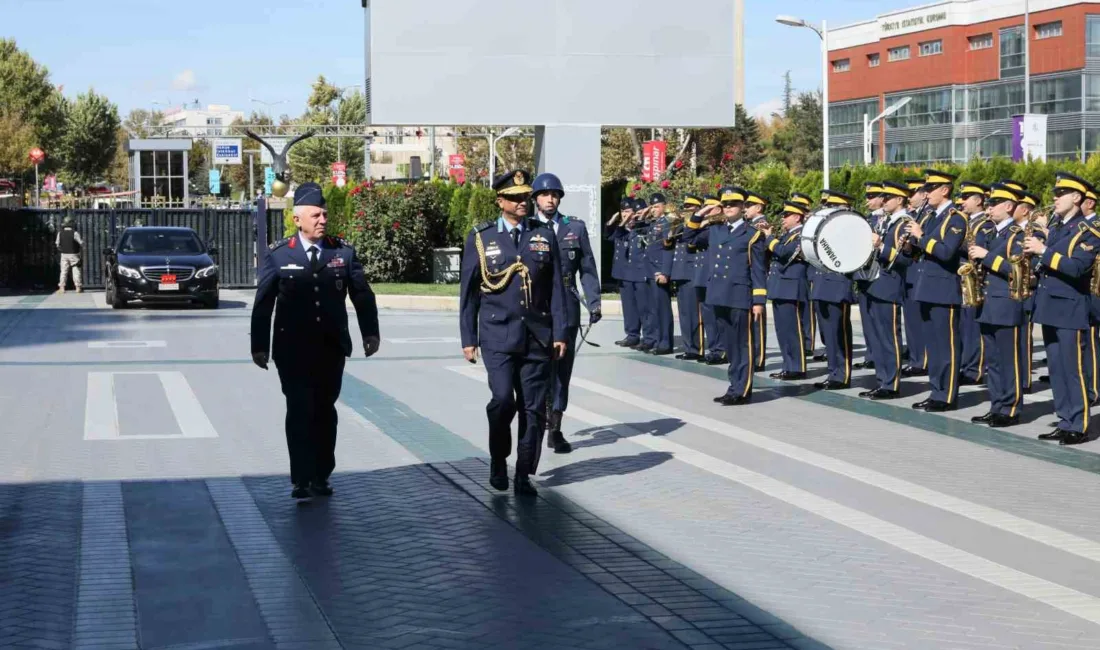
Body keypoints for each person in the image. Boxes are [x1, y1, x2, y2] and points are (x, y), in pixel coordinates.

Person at [251, 182, 381, 501]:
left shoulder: (342, 252)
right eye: (316, 215)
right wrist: (259, 346)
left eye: (324, 214)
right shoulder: (280, 255)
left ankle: (321, 474)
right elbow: (263, 303)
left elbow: (362, 295)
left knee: (324, 411)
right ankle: (301, 478)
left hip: (330, 348)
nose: (323, 220)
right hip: (292, 350)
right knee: (299, 409)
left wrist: (370, 333)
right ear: (298, 219)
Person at [459, 169, 567, 493]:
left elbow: (557, 288)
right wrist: (468, 339)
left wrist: (560, 331)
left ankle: (522, 473)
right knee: (503, 400)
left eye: (526, 197)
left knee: (533, 409)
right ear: (500, 200)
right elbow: (469, 293)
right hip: (497, 334)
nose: (523, 202)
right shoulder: (482, 237)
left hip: (536, 335)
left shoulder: (544, 235)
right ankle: (497, 459)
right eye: (516, 197)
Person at [1026, 173, 1100, 445]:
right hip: (1050, 305)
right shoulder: (1058, 227)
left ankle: (1079, 425)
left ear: (1077, 197)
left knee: (1073, 369)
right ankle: (1064, 419)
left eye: (1061, 193)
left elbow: (1078, 267)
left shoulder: (1089, 231)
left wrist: (1043, 250)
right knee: (1056, 369)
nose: (1054, 198)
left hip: (1070, 308)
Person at [531, 172, 601, 454]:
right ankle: (535, 423)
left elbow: (587, 267)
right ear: (535, 198)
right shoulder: (527, 227)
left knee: (561, 372)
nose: (550, 199)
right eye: (545, 194)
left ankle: (555, 428)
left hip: (568, 309)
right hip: (536, 309)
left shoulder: (575, 228)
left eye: (555, 195)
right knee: (536, 370)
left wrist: (594, 302)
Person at [683, 186, 767, 405]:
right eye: (725, 204)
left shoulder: (753, 234)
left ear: (742, 207)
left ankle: (742, 389)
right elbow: (688, 237)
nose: (729, 208)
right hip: (718, 294)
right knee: (729, 345)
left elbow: (758, 269)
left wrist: (758, 301)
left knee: (742, 344)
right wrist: (701, 213)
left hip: (740, 295)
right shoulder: (715, 230)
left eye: (734, 204)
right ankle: (733, 387)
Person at [965, 183, 1025, 427]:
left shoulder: (1018, 235)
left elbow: (1018, 271)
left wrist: (986, 256)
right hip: (987, 303)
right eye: (987, 204)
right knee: (994, 361)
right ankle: (997, 404)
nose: (988, 208)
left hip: (1006, 304)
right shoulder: (990, 232)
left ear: (1008, 206)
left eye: (993, 204)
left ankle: (1010, 408)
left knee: (1009, 360)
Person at [907, 169, 966, 412]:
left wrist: (920, 238)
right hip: (926, 288)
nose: (926, 193)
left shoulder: (955, 218)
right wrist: (910, 244)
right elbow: (920, 251)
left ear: (945, 190)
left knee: (946, 346)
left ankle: (947, 396)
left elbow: (945, 252)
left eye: (930, 189)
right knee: (933, 346)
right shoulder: (930, 216)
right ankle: (936, 391)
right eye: (925, 189)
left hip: (943, 290)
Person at [859, 181, 913, 400]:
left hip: (889, 286)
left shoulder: (904, 223)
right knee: (878, 338)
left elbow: (905, 260)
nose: (883, 200)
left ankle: (891, 384)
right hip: (874, 283)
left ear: (899, 200)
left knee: (889, 338)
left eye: (887, 197)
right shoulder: (885, 221)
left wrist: (881, 246)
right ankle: (881, 380)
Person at [812, 190, 856, 390]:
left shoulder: (852, 227)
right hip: (822, 284)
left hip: (838, 285)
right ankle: (833, 372)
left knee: (840, 333)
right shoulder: (824, 228)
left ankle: (842, 375)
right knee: (828, 335)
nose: (828, 210)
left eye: (833, 207)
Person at [762, 200, 809, 380]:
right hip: (780, 286)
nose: (783, 219)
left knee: (793, 330)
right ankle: (788, 365)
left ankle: (797, 367)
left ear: (797, 217)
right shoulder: (786, 234)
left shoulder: (802, 234)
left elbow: (783, 252)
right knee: (783, 331)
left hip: (792, 286)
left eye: (787, 215)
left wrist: (768, 237)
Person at [956, 181, 996, 387]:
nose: (962, 202)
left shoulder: (985, 224)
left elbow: (978, 248)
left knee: (974, 328)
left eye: (966, 198)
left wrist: (954, 243)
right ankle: (965, 365)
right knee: (964, 327)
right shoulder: (968, 221)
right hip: (964, 278)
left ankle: (974, 369)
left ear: (978, 200)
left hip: (976, 279)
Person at [901, 178, 932, 377]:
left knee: (922, 321)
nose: (909, 198)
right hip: (910, 272)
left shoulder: (929, 216)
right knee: (911, 321)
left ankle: (924, 360)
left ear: (923, 194)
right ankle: (915, 357)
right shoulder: (913, 215)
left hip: (922, 272)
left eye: (912, 194)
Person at [691, 195, 726, 364]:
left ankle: (721, 349)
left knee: (718, 317)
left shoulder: (719, 227)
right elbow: (688, 237)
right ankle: (714, 349)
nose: (706, 212)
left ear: (719, 210)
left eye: (709, 208)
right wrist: (701, 215)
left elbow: (692, 237)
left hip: (714, 278)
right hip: (702, 277)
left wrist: (703, 222)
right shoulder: (707, 228)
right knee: (709, 318)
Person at [855, 182, 886, 371]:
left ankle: (881, 357)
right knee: (867, 320)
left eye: (871, 196)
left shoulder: (885, 220)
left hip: (880, 275)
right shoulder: (866, 219)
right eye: (867, 196)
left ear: (882, 198)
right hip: (865, 274)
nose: (867, 200)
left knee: (881, 323)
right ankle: (871, 354)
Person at [669, 195, 703, 360]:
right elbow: (667, 242)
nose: (686, 210)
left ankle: (697, 348)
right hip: (680, 272)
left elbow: (691, 244)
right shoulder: (680, 226)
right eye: (685, 206)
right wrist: (674, 224)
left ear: (697, 209)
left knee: (693, 313)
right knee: (683, 314)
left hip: (691, 273)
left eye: (690, 207)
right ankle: (689, 346)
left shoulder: (698, 227)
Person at [643, 193, 675, 355]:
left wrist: (665, 272)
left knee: (663, 310)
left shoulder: (667, 224)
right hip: (650, 272)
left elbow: (668, 250)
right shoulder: (653, 224)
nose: (653, 210)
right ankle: (656, 339)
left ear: (664, 206)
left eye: (656, 206)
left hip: (659, 272)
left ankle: (665, 342)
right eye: (652, 206)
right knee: (654, 309)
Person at [607, 198, 641, 347]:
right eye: (623, 211)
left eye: (628, 211)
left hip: (638, 272)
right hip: (623, 273)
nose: (626, 215)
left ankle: (648, 337)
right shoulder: (620, 229)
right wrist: (613, 220)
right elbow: (610, 237)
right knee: (628, 306)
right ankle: (632, 334)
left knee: (642, 306)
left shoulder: (640, 228)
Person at [789, 192, 817, 358]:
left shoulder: (811, 224)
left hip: (811, 268)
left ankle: (809, 342)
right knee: (800, 308)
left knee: (808, 309)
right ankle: (803, 340)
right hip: (800, 271)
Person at [745, 191, 770, 371]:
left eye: (748, 205)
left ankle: (758, 358)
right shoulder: (750, 225)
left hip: (757, 276)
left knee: (757, 321)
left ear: (758, 207)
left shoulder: (760, 225)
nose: (745, 208)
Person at [56, 216, 84, 293]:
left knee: (63, 271)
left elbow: (57, 244)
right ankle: (78, 287)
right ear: (72, 224)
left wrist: (62, 250)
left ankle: (62, 288)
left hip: (64, 254)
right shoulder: (75, 233)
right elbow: (81, 243)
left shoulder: (60, 233)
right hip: (74, 254)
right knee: (76, 270)